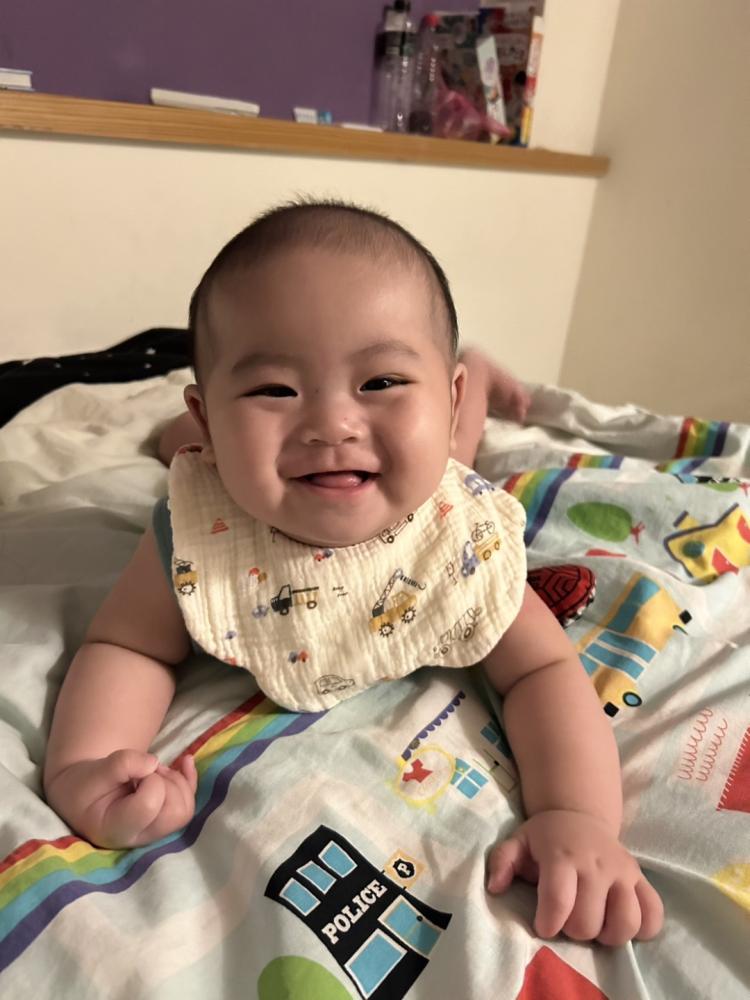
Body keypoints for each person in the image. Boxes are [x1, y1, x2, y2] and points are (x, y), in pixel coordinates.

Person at [43, 200, 663, 947]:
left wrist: (576, 815)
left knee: (452, 457)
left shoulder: (459, 538)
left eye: (382, 381)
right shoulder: (199, 534)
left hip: (428, 477)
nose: (331, 424)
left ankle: (475, 384)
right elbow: (128, 646)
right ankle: (194, 429)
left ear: (443, 391)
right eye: (274, 390)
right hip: (232, 456)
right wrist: (86, 764)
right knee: (180, 452)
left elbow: (543, 670)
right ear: (211, 414)